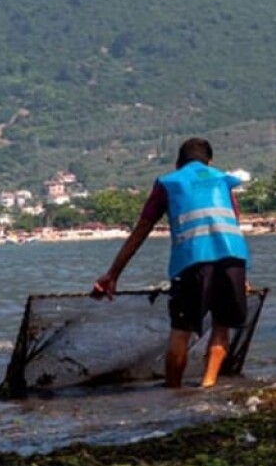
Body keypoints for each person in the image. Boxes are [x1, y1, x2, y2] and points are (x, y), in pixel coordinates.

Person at [93, 137, 250, 388]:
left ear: (178, 163)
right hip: (234, 260)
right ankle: (208, 386)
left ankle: (173, 391)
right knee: (222, 325)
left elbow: (142, 230)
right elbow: (233, 224)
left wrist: (113, 274)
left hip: (192, 262)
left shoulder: (169, 183)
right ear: (210, 162)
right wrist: (244, 277)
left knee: (181, 330)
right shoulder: (223, 180)